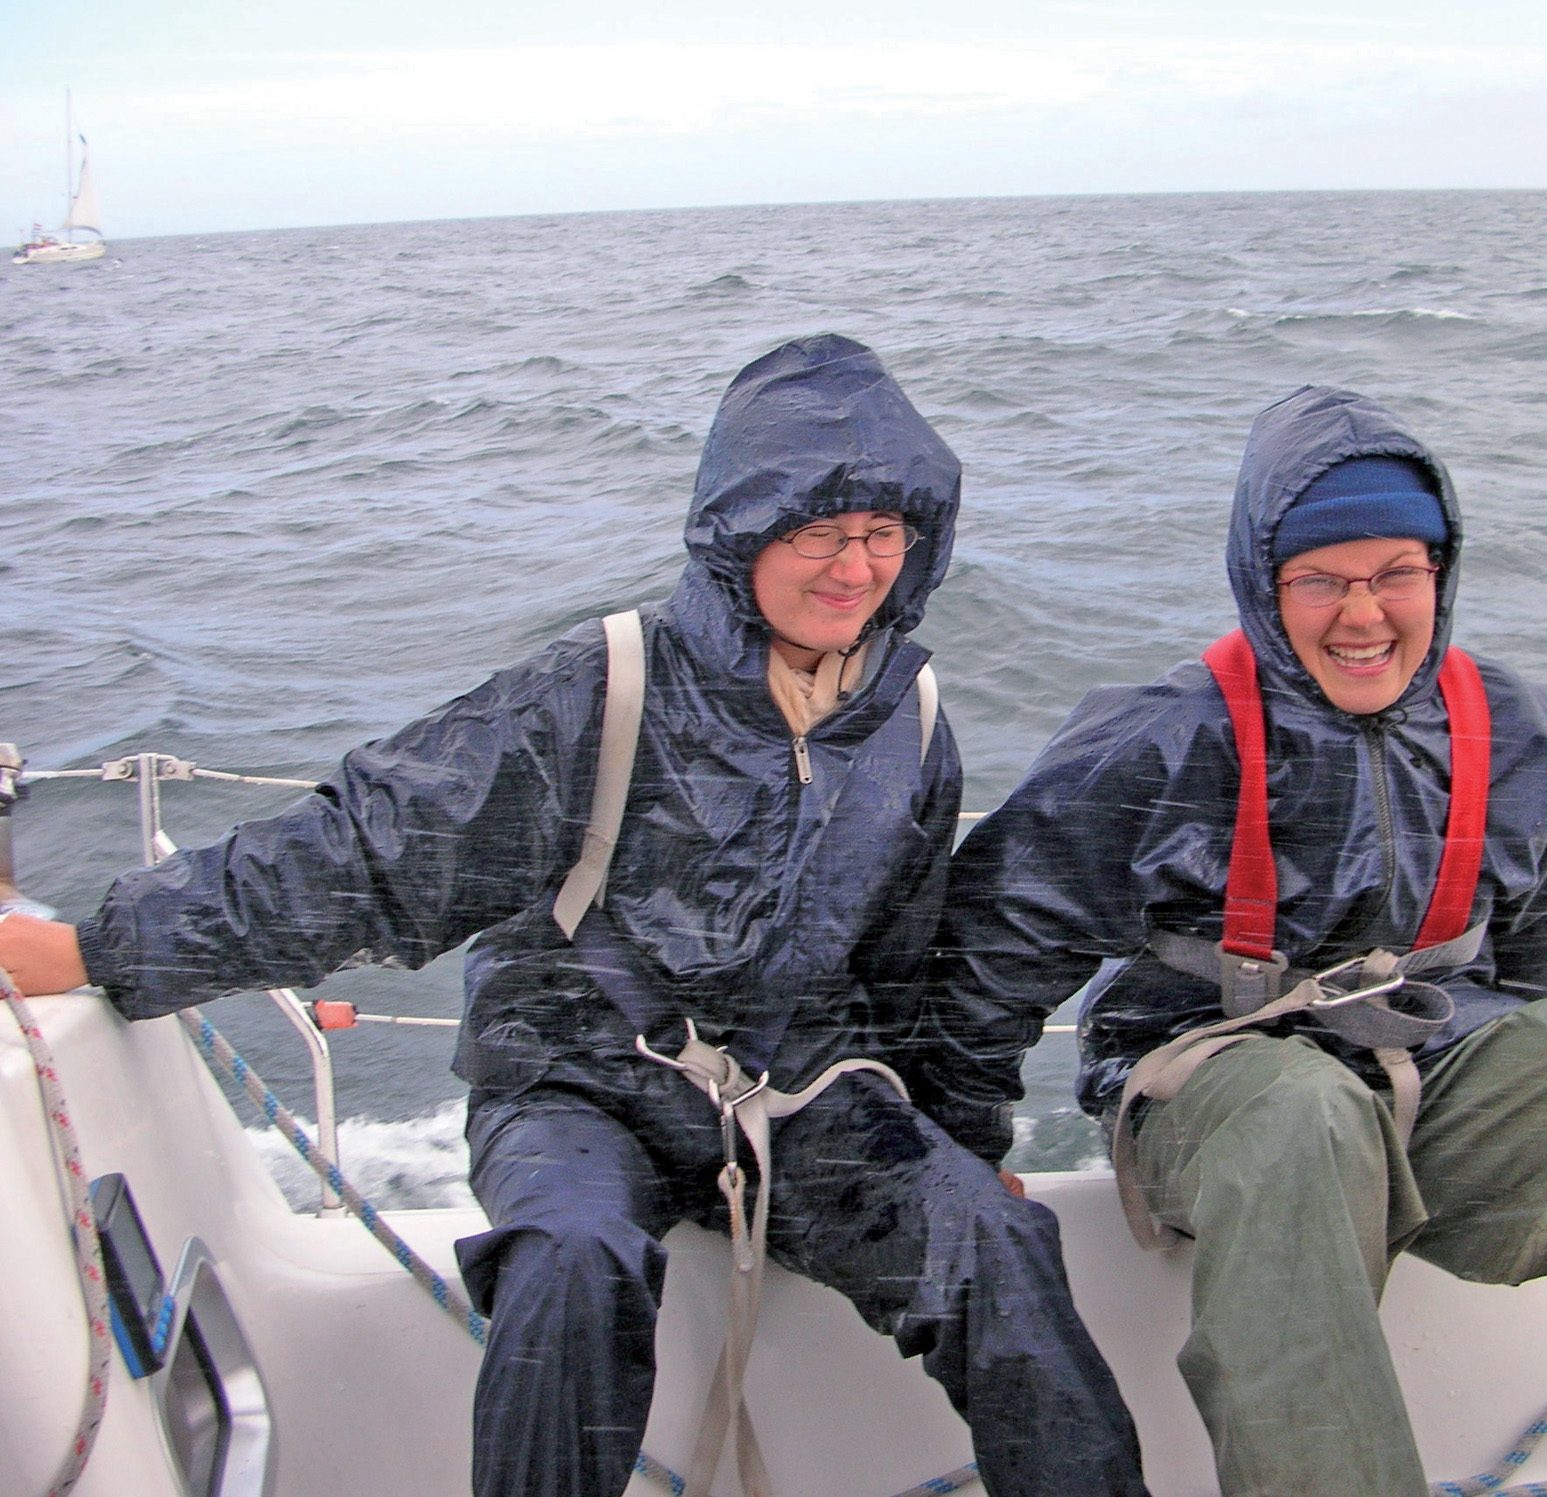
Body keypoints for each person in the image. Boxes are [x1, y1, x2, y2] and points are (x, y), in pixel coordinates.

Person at [0, 334, 1147, 1497]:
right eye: (817, 531)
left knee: (998, 1248)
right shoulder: (599, 685)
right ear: (742, 529)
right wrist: (98, 948)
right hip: (573, 1082)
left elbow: (905, 970)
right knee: (568, 1260)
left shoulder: (913, 719)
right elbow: (369, 851)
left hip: (799, 1093)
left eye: (883, 532)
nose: (854, 568)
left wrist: (958, 1149)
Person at [916, 384, 1547, 1497]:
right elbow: (994, 944)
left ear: (1439, 576)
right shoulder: (1165, 738)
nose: (1361, 614)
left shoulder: (1508, 724)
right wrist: (966, 1149)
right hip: (1213, 1086)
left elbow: (1542, 957)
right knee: (1299, 1113)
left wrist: (1517, 1097)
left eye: (1395, 573)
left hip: (1425, 1064)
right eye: (1320, 579)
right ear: (1264, 585)